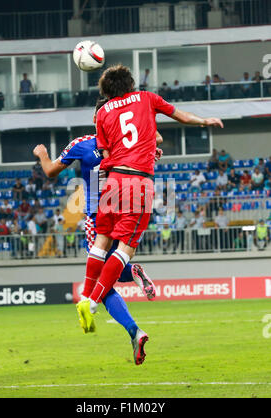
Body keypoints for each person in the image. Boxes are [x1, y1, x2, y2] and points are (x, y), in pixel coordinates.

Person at [74, 65, 222, 338]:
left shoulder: (103, 113)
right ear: (130, 84)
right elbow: (180, 116)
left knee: (101, 241)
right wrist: (205, 121)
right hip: (138, 182)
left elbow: (107, 152)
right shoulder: (147, 98)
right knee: (125, 250)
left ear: (105, 90)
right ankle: (92, 303)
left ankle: (84, 295)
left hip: (112, 181)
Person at [33, 98, 160, 365]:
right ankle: (131, 274)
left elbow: (51, 171)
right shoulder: (128, 143)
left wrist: (42, 154)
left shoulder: (82, 144)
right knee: (112, 270)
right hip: (127, 209)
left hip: (98, 217)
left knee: (103, 282)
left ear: (96, 119)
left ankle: (134, 329)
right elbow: (154, 140)